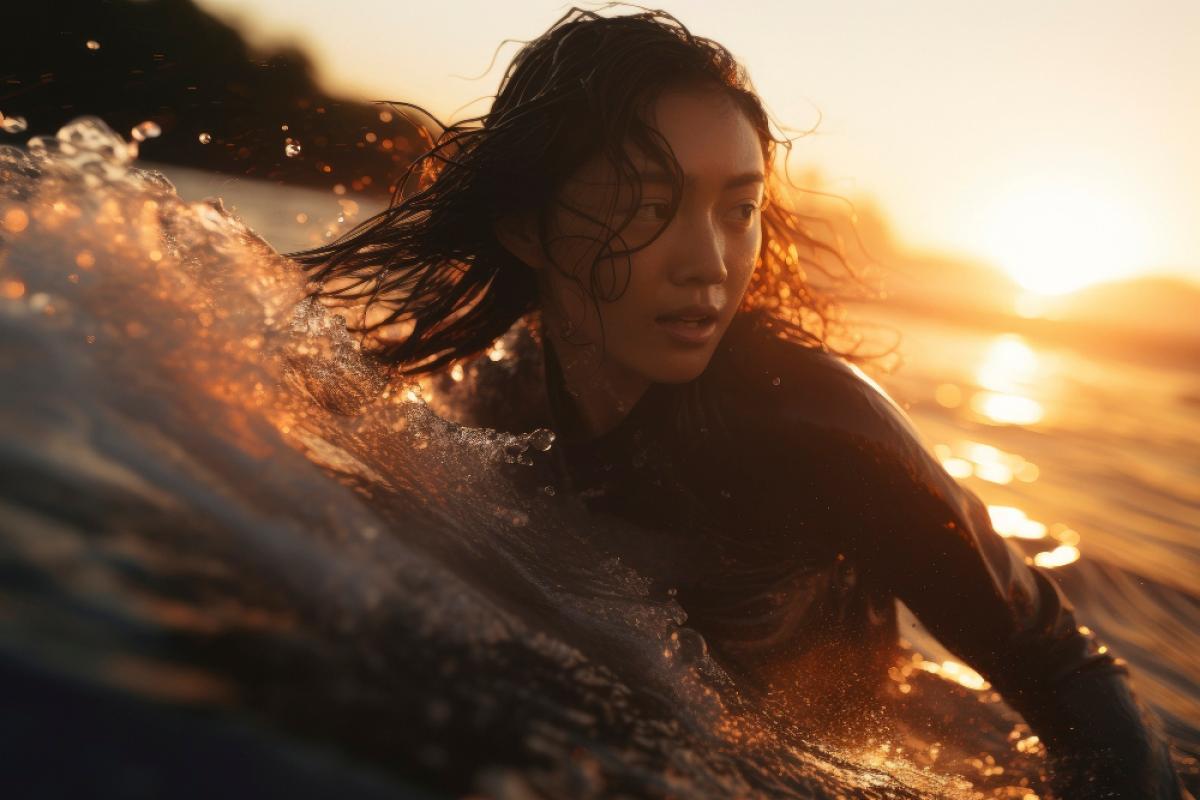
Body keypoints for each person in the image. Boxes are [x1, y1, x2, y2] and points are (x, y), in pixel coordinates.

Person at [293, 7, 1186, 797]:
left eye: (738, 208)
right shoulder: (501, 393)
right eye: (649, 204)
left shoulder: (819, 431)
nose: (710, 263)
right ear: (526, 225)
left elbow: (1066, 665)